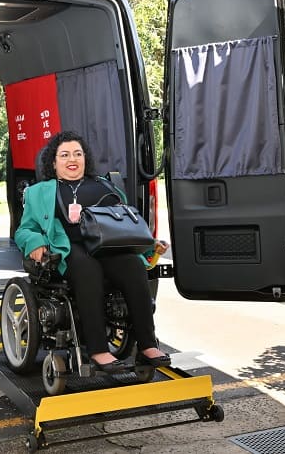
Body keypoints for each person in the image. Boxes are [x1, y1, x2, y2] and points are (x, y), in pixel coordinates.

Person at [14, 130, 170, 373]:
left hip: (107, 247)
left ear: (85, 159)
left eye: (77, 153)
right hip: (69, 250)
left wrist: (150, 245)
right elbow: (24, 230)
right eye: (64, 155)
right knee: (87, 268)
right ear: (53, 163)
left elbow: (125, 225)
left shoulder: (104, 186)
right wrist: (34, 243)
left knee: (133, 266)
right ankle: (98, 350)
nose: (72, 159)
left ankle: (147, 345)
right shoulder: (40, 192)